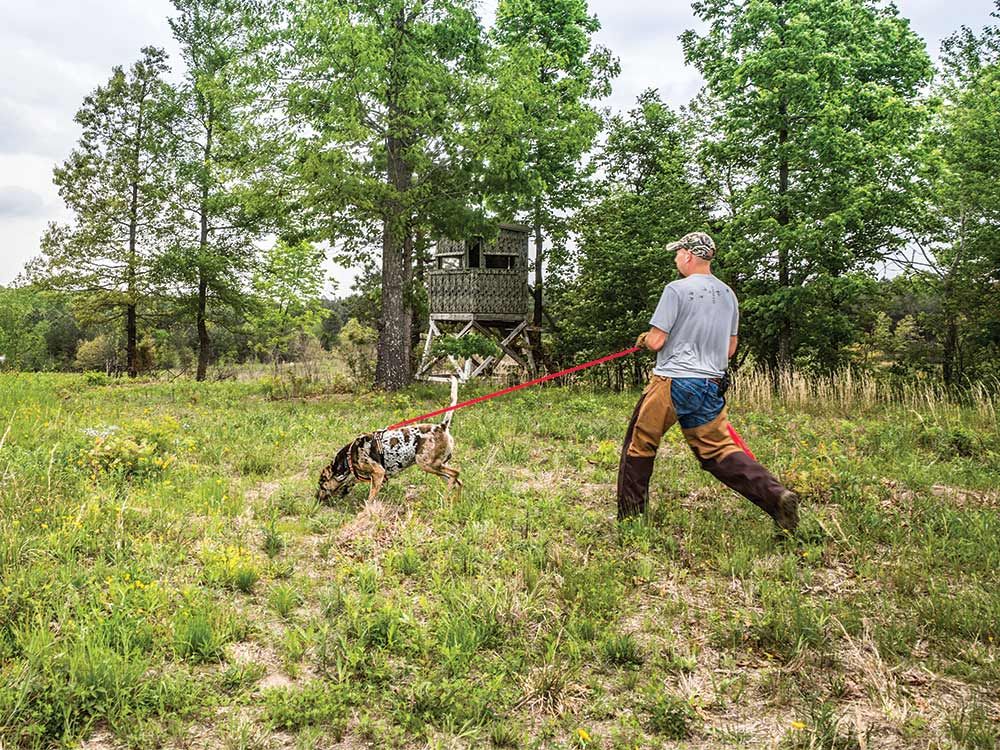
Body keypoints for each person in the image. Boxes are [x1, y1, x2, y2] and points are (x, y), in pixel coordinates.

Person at [617, 231, 799, 532]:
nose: (676, 258)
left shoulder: (676, 290)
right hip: (710, 383)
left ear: (688, 255)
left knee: (639, 445)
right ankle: (776, 496)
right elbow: (730, 349)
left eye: (677, 253)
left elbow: (658, 340)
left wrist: (646, 340)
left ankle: (631, 521)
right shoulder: (728, 295)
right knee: (718, 452)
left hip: (672, 381)